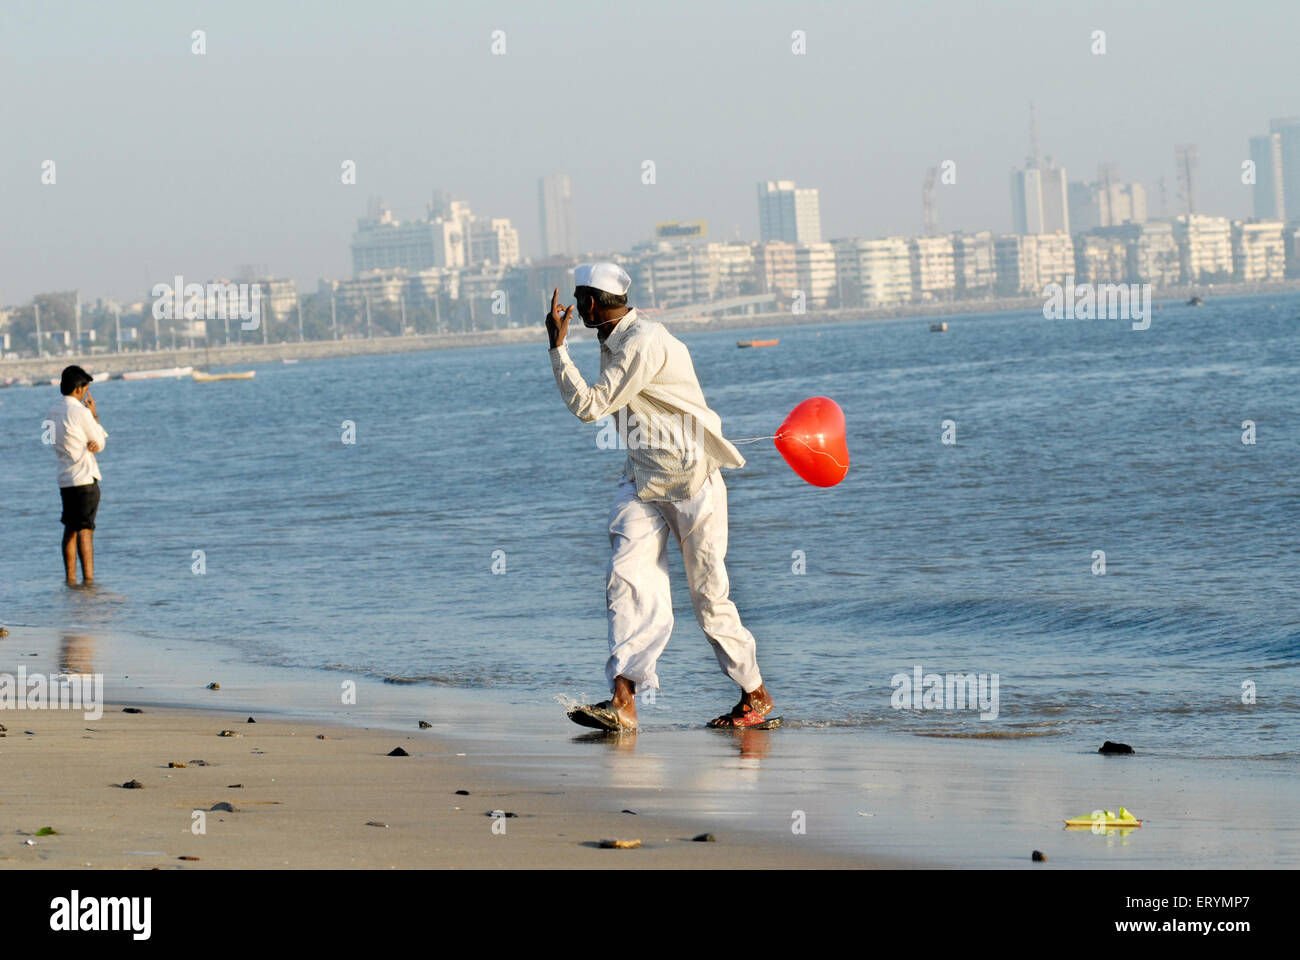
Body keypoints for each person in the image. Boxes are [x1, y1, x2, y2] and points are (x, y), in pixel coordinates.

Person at [546, 262, 775, 732]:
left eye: (577, 299)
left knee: (709, 601)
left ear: (589, 305)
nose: (571, 308)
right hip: (643, 483)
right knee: (627, 584)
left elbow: (590, 406)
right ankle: (623, 701)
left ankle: (755, 695)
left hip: (692, 482)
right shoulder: (617, 339)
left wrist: (557, 346)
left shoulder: (642, 341)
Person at [48, 365, 108, 585]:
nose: (86, 393)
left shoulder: (53, 411)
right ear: (79, 389)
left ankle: (70, 580)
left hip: (65, 478)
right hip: (84, 477)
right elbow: (100, 443)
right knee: (85, 530)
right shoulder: (80, 412)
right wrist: (94, 415)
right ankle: (89, 581)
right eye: (86, 388)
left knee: (70, 528)